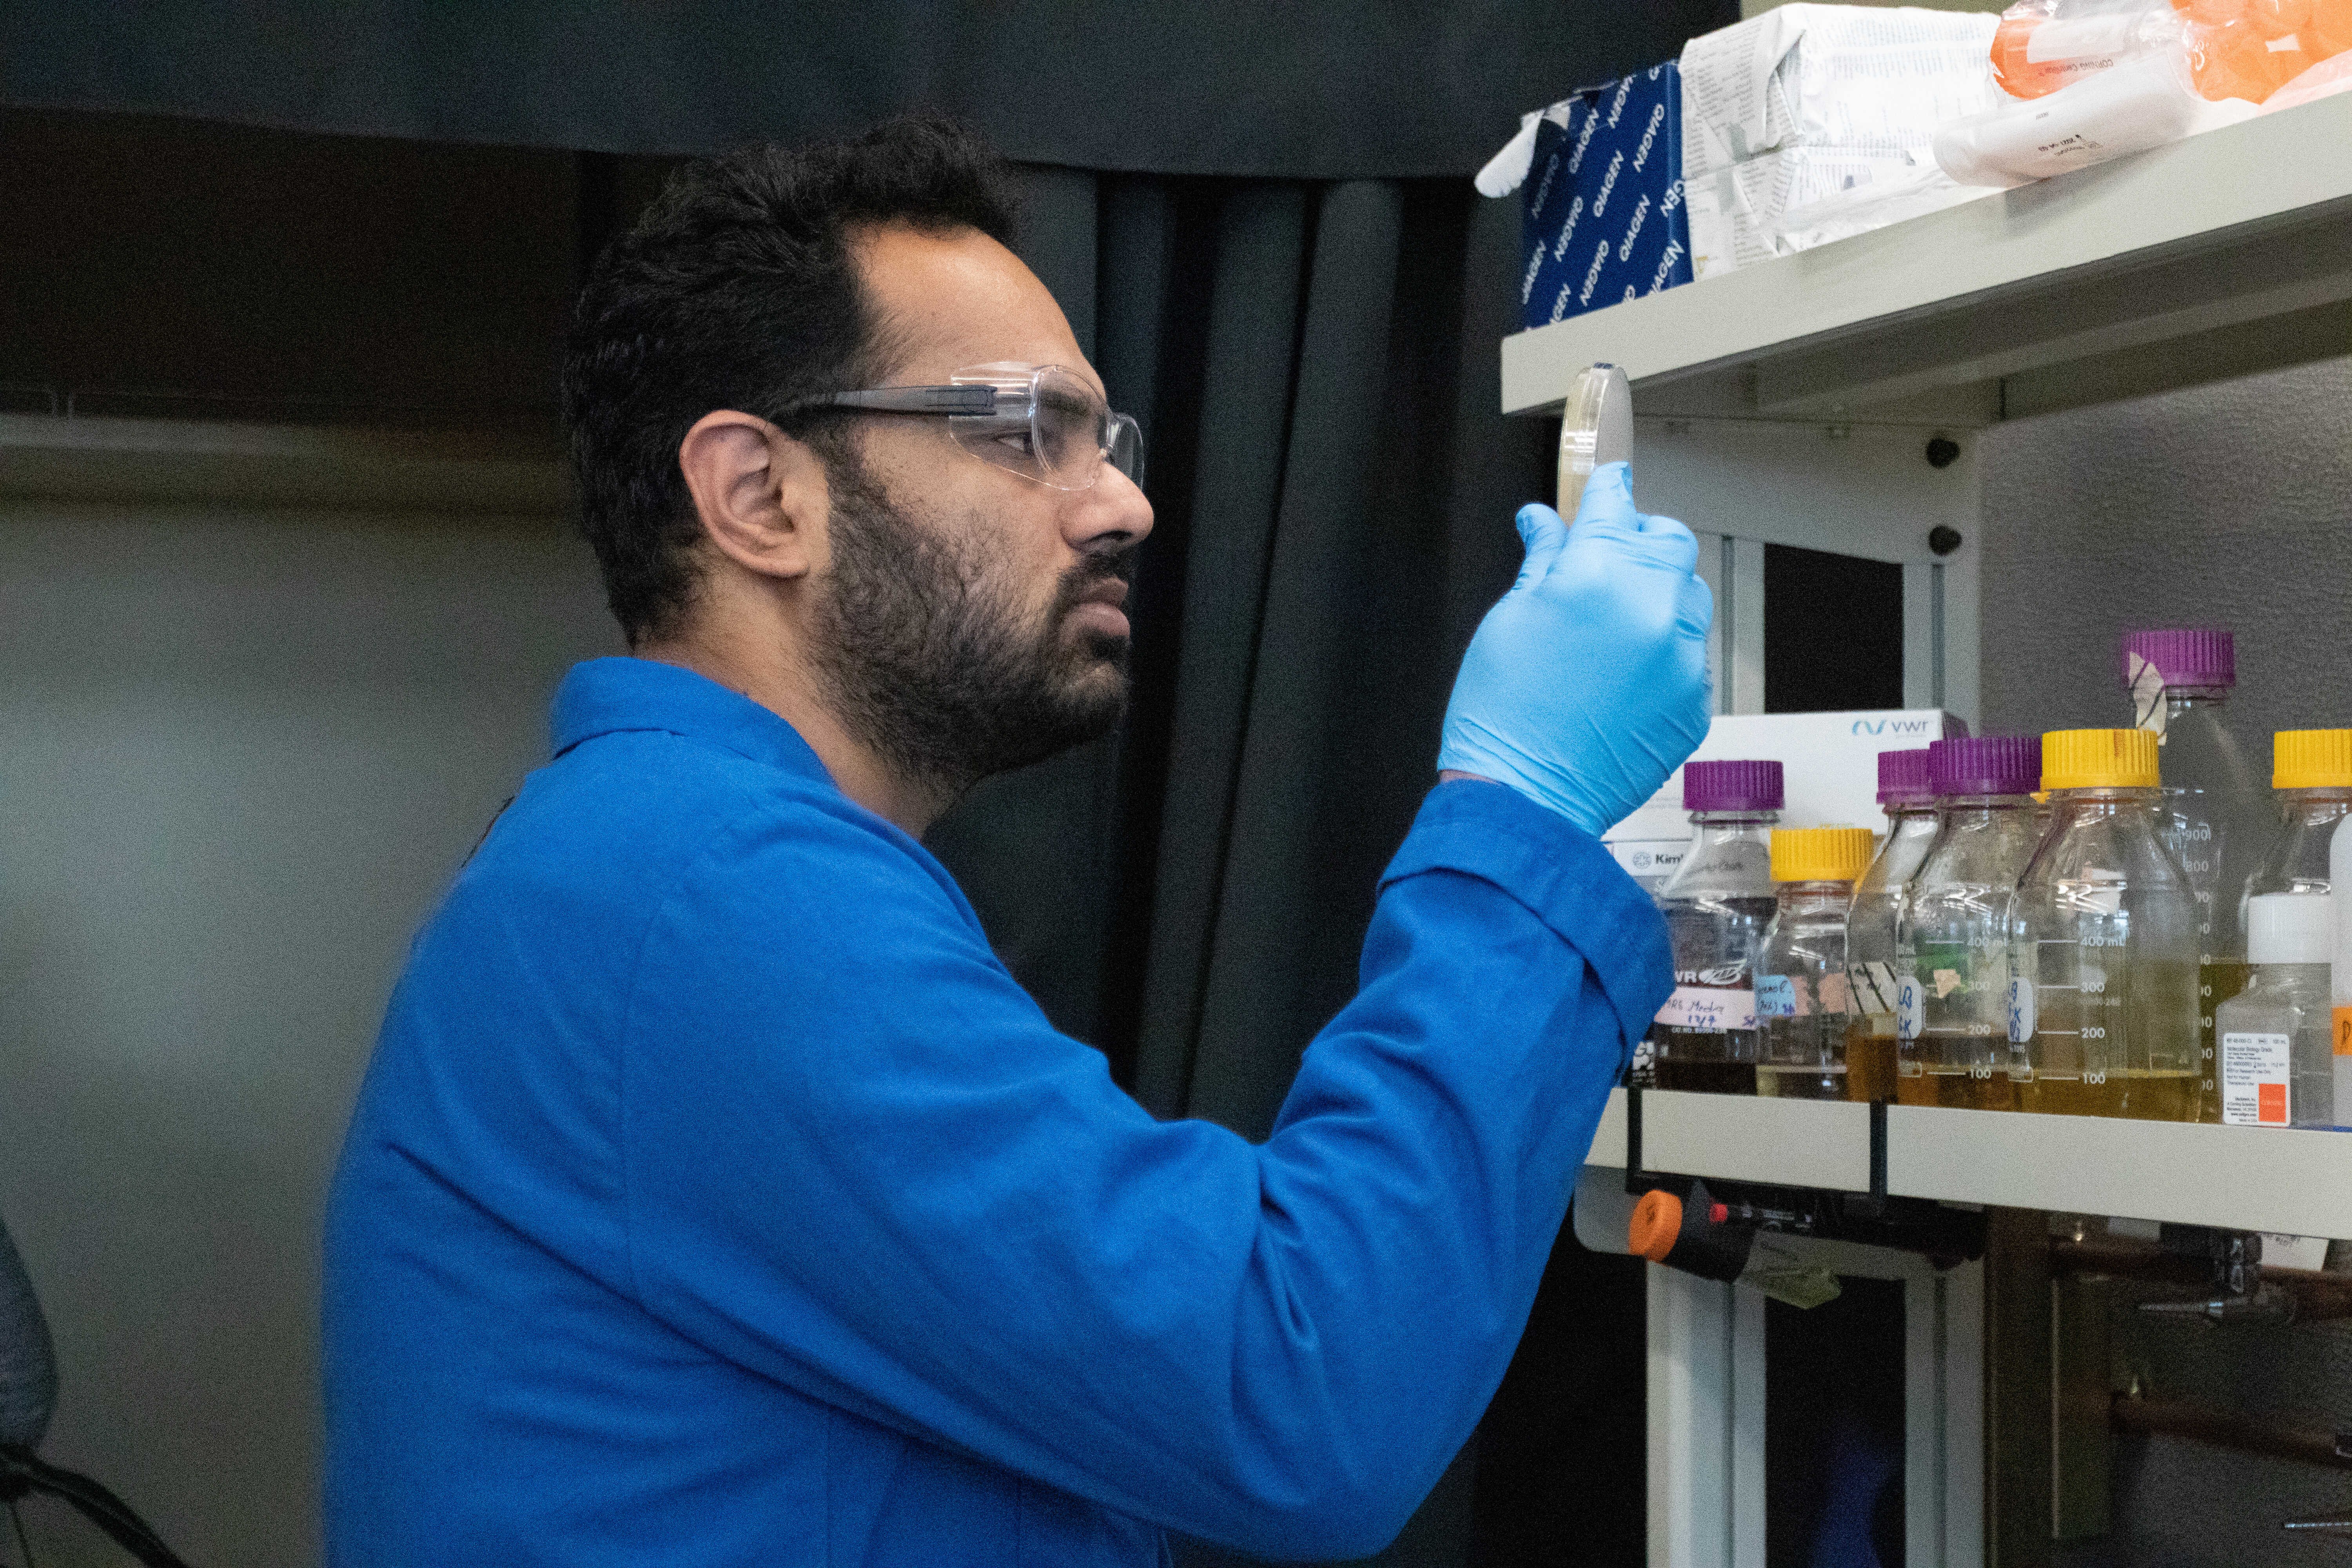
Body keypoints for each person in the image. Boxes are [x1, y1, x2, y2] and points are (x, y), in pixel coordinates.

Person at [323, 115, 1711, 1567]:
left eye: (1101, 436)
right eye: (1021, 427)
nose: (1124, 500)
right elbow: (1299, 1389)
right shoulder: (706, 890)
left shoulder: (656, 862)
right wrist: (1523, 806)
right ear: (757, 495)